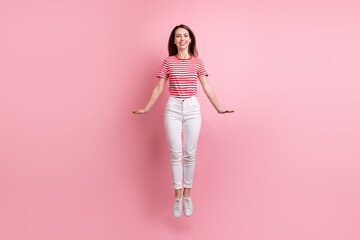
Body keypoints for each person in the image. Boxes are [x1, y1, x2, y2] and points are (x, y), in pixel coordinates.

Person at [132, 24, 234, 218]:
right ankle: (177, 195)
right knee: (175, 152)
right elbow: (158, 87)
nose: (182, 39)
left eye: (185, 36)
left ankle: (188, 194)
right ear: (173, 40)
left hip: (192, 109)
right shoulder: (168, 61)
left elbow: (206, 86)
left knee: (189, 152)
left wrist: (219, 108)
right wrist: (146, 108)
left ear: (190, 39)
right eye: (178, 36)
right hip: (173, 108)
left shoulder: (198, 62)